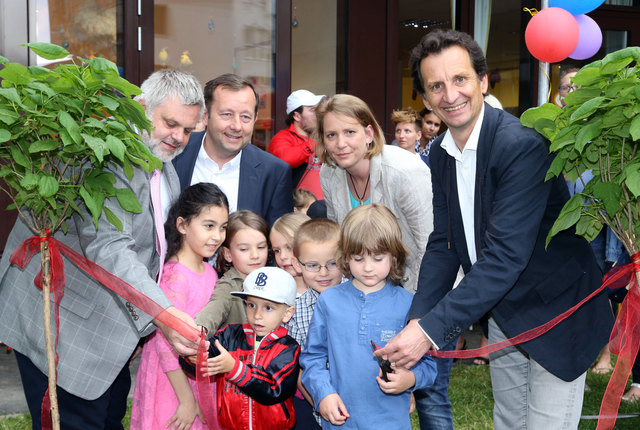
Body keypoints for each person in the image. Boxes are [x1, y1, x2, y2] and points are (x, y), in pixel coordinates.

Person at [375, 29, 613, 429]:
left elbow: (505, 258)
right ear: (425, 97)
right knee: (509, 422)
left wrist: (429, 333)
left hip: (557, 313)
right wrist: (419, 318)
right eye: (436, 85)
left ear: (483, 82)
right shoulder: (440, 154)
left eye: (460, 79)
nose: (450, 94)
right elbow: (443, 243)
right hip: (505, 310)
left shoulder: (520, 146)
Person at [0, 69, 205, 429]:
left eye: (188, 130)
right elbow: (109, 246)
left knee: (108, 418)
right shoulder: (108, 158)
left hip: (108, 336)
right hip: (66, 331)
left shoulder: (165, 167)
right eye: (171, 123)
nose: (179, 137)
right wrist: (164, 314)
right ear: (141, 108)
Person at [300, 204, 437, 429]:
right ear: (345, 257)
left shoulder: (410, 305)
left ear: (394, 256)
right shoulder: (329, 301)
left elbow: (429, 364)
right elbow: (312, 358)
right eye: (358, 258)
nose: (367, 268)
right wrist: (324, 394)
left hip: (391, 422)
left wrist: (410, 380)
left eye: (377, 258)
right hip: (341, 421)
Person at [131, 183, 229, 430]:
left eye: (223, 228)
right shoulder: (174, 276)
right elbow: (165, 346)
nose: (217, 236)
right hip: (172, 382)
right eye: (209, 226)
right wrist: (186, 400)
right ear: (183, 225)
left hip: (198, 376)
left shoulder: (208, 271)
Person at [316, 94, 433, 293]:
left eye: (350, 132)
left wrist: (417, 306)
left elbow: (429, 246)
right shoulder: (329, 173)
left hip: (417, 284)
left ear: (369, 133)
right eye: (331, 135)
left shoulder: (405, 171)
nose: (340, 143)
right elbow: (341, 243)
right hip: (366, 289)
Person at [180, 266, 300, 430]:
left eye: (268, 307)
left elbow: (273, 389)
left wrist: (234, 368)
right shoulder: (229, 335)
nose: (257, 314)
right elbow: (202, 365)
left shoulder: (288, 348)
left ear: (287, 313)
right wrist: (193, 355)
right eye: (251, 305)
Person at [173, 73, 293, 225]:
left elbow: (279, 243)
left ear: (255, 119)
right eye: (227, 114)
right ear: (204, 116)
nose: (236, 126)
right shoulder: (175, 153)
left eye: (245, 117)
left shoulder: (274, 173)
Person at [289, 218, 342, 429]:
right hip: (322, 409)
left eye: (332, 263)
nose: (323, 272)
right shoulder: (294, 312)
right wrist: (321, 403)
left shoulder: (362, 298)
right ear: (296, 264)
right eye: (312, 265)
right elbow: (298, 370)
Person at [195, 210, 270, 335]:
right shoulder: (228, 286)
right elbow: (214, 310)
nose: (255, 255)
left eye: (261, 247)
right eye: (244, 249)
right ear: (228, 254)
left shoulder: (275, 279)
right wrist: (199, 331)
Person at [268, 89, 325, 198]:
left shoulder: (324, 137)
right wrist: (313, 143)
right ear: (297, 116)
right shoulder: (283, 137)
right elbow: (284, 161)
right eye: (312, 109)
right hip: (298, 209)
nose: (318, 114)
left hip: (326, 208)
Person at [270, 212, 311, 295]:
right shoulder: (273, 290)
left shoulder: (330, 283)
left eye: (289, 247)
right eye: (277, 251)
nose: (282, 256)